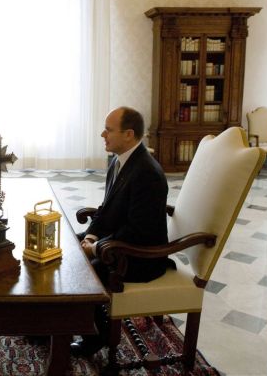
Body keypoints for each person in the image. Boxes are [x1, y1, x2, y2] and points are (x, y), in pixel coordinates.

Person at [71, 106, 172, 357]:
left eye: (108, 130)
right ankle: (54, 321)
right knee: (66, 245)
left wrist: (95, 247)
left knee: (85, 270)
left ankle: (96, 336)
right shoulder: (120, 160)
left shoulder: (147, 173)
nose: (102, 134)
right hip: (118, 240)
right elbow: (107, 208)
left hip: (140, 256)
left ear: (129, 134)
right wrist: (91, 236)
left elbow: (139, 231)